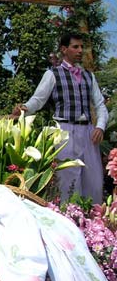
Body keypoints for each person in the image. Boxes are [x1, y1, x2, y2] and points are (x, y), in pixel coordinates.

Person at [12, 32, 108, 203]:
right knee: (66, 179)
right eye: (75, 47)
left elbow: (100, 104)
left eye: (81, 47)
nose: (80, 50)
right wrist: (24, 109)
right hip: (64, 132)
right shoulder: (52, 74)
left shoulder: (88, 75)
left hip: (88, 132)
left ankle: (94, 224)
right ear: (64, 49)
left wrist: (100, 126)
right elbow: (38, 99)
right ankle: (67, 219)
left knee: (93, 181)